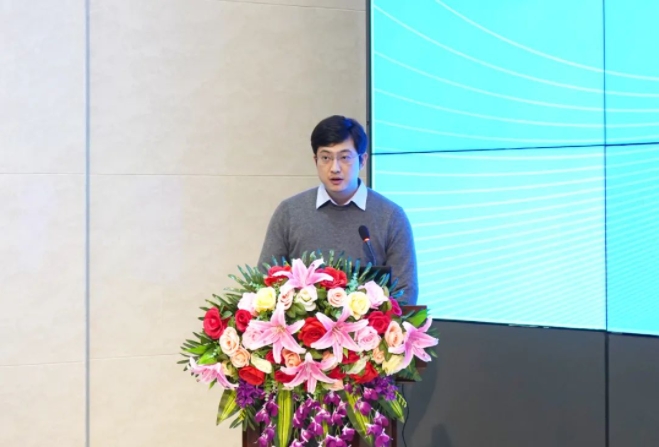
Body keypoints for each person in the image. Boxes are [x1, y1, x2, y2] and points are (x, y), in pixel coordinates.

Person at [257, 115, 418, 304]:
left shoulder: (391, 216)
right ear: (315, 160)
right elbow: (264, 282)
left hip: (370, 324)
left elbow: (405, 293)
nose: (334, 168)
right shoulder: (289, 212)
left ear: (363, 160)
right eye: (326, 158)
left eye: (344, 157)